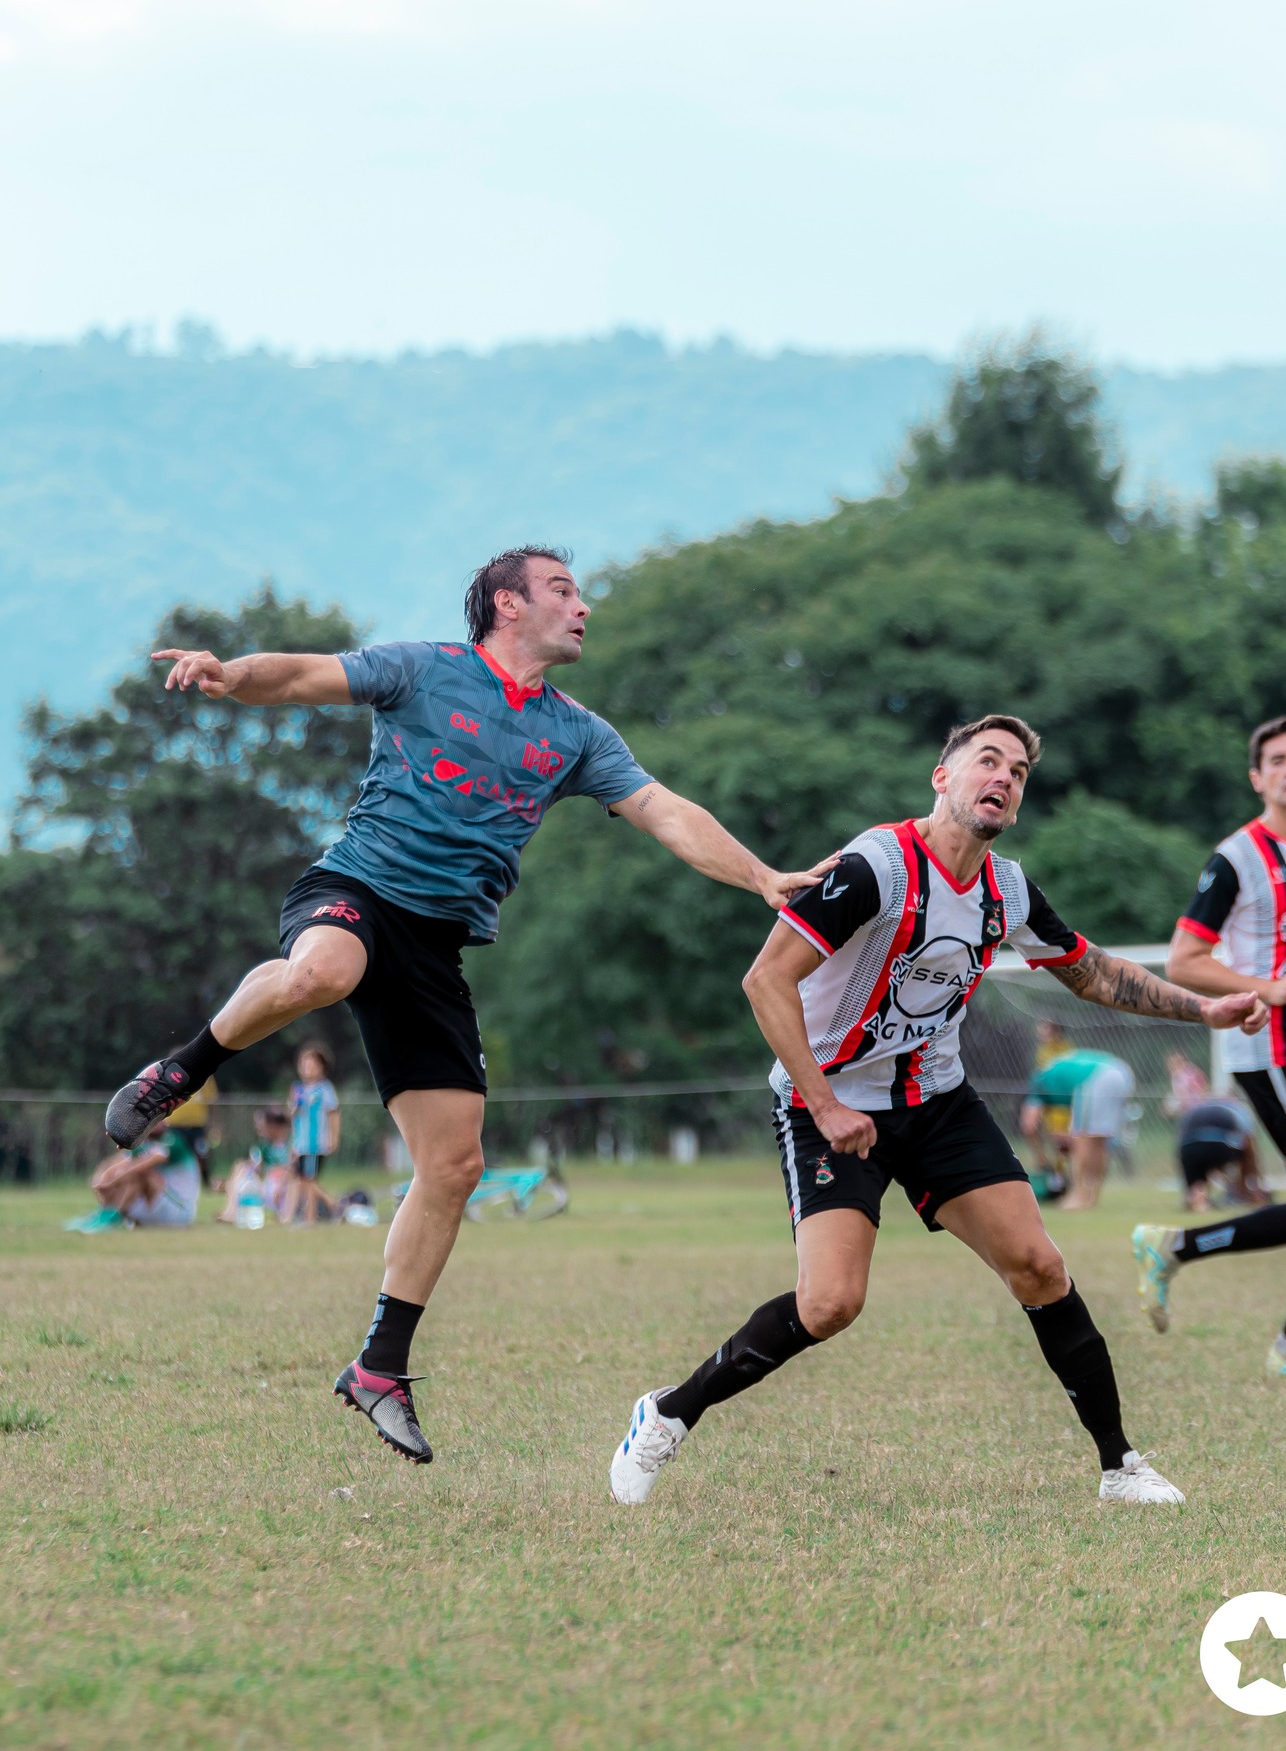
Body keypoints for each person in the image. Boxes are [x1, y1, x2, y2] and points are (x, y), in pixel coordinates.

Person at [103, 546, 832, 1464]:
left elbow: (665, 811)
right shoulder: (423, 670)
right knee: (323, 972)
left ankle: (378, 1367)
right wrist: (229, 673)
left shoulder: (577, 734)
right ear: (505, 604)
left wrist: (761, 876)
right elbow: (300, 677)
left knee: (453, 1167)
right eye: (562, 590)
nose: (583, 607)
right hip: (354, 891)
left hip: (435, 946)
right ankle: (181, 1070)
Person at [609, 714, 1269, 1511]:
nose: (1003, 778)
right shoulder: (874, 869)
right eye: (987, 761)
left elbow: (1091, 973)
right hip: (830, 1107)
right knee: (829, 1304)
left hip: (936, 1102)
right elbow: (765, 981)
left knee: (1039, 1266)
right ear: (942, 777)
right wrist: (824, 1103)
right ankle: (669, 1413)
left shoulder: (1006, 890)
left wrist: (1205, 1010)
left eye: (1017, 772)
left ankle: (1119, 1466)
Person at [1134, 714, 1286, 1374]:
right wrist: (1265, 988)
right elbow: (1184, 960)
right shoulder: (1238, 857)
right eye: (1276, 760)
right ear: (1257, 778)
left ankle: (1173, 1247)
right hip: (1273, 1050)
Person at [1019, 1047, 1135, 1211]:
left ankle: (1078, 1196)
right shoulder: (1056, 1074)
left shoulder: (1038, 1082)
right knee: (1100, 1141)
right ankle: (1092, 1196)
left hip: (1097, 1079)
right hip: (1122, 1074)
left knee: (1081, 1138)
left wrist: (1041, 1159)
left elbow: (1029, 1126)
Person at [88, 1123, 201, 1228]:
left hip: (179, 1210)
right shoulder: (145, 1142)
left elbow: (145, 1164)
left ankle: (116, 1216)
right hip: (158, 1206)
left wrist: (111, 1182)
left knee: (141, 1174)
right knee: (119, 1170)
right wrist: (103, 1178)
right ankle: (105, 1214)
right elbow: (121, 1163)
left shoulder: (172, 1141)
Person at [284, 1044, 341, 1225]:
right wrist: (292, 1143)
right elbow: (293, 1116)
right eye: (304, 1064)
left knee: (309, 1180)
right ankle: (331, 1206)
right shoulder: (298, 1089)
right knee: (301, 1180)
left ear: (322, 1067)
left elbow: (333, 1113)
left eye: (312, 1065)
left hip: (315, 1143)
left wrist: (334, 1137)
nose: (307, 1068)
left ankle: (311, 1217)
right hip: (300, 1144)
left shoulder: (325, 1089)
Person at [1177, 1097, 1265, 1213]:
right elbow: (1247, 1142)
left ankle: (1197, 1196)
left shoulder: (1197, 1108)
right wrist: (1254, 1178)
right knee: (1245, 1154)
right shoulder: (1239, 1109)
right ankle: (1244, 1192)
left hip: (1189, 1147)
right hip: (1219, 1145)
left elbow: (1181, 1139)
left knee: (1197, 1170)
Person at [217, 1104, 293, 1224]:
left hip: (282, 1190)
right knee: (240, 1166)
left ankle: (230, 1211)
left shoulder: (290, 1146)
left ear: (273, 1126)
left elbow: (292, 1171)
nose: (260, 1130)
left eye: (263, 1126)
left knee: (241, 1168)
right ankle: (230, 1212)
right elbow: (256, 1168)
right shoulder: (263, 1146)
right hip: (267, 1186)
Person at [165, 1073, 218, 1187]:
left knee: (202, 1154)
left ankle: (205, 1182)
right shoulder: (173, 1072)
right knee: (175, 1155)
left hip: (197, 1125)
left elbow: (211, 1101)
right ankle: (174, 1180)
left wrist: (213, 1124)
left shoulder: (207, 1075)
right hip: (175, 1125)